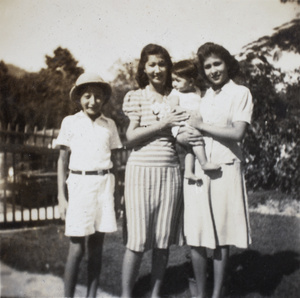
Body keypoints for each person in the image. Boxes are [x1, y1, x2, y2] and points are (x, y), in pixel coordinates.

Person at [178, 42, 253, 298]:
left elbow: (238, 132)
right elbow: (188, 129)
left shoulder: (240, 93)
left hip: (225, 168)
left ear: (227, 63)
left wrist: (202, 125)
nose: (212, 70)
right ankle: (200, 294)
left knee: (222, 236)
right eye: (207, 66)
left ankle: (217, 294)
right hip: (199, 171)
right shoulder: (204, 96)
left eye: (217, 64)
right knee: (197, 236)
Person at [121, 44, 189, 298]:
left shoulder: (177, 97)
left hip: (170, 171)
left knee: (163, 241)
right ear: (144, 68)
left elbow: (180, 135)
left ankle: (155, 293)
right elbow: (130, 138)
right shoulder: (136, 97)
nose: (157, 69)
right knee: (137, 241)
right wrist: (163, 123)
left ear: (168, 67)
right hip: (140, 171)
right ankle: (127, 295)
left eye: (162, 64)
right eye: (152, 64)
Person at [56, 73, 122, 298]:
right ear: (79, 99)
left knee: (97, 249)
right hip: (79, 185)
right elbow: (62, 160)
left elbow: (115, 163)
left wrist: (116, 196)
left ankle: (91, 295)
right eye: (87, 96)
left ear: (104, 99)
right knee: (77, 249)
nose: (92, 101)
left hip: (104, 185)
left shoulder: (109, 125)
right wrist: (61, 197)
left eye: (97, 96)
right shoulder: (70, 122)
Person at [169, 60, 220, 182]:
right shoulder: (175, 92)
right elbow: (173, 107)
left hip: (192, 124)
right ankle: (204, 163)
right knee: (196, 139)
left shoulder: (197, 91)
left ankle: (188, 171)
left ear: (191, 82)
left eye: (177, 80)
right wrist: (187, 111)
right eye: (173, 80)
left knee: (190, 149)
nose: (174, 84)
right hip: (182, 125)